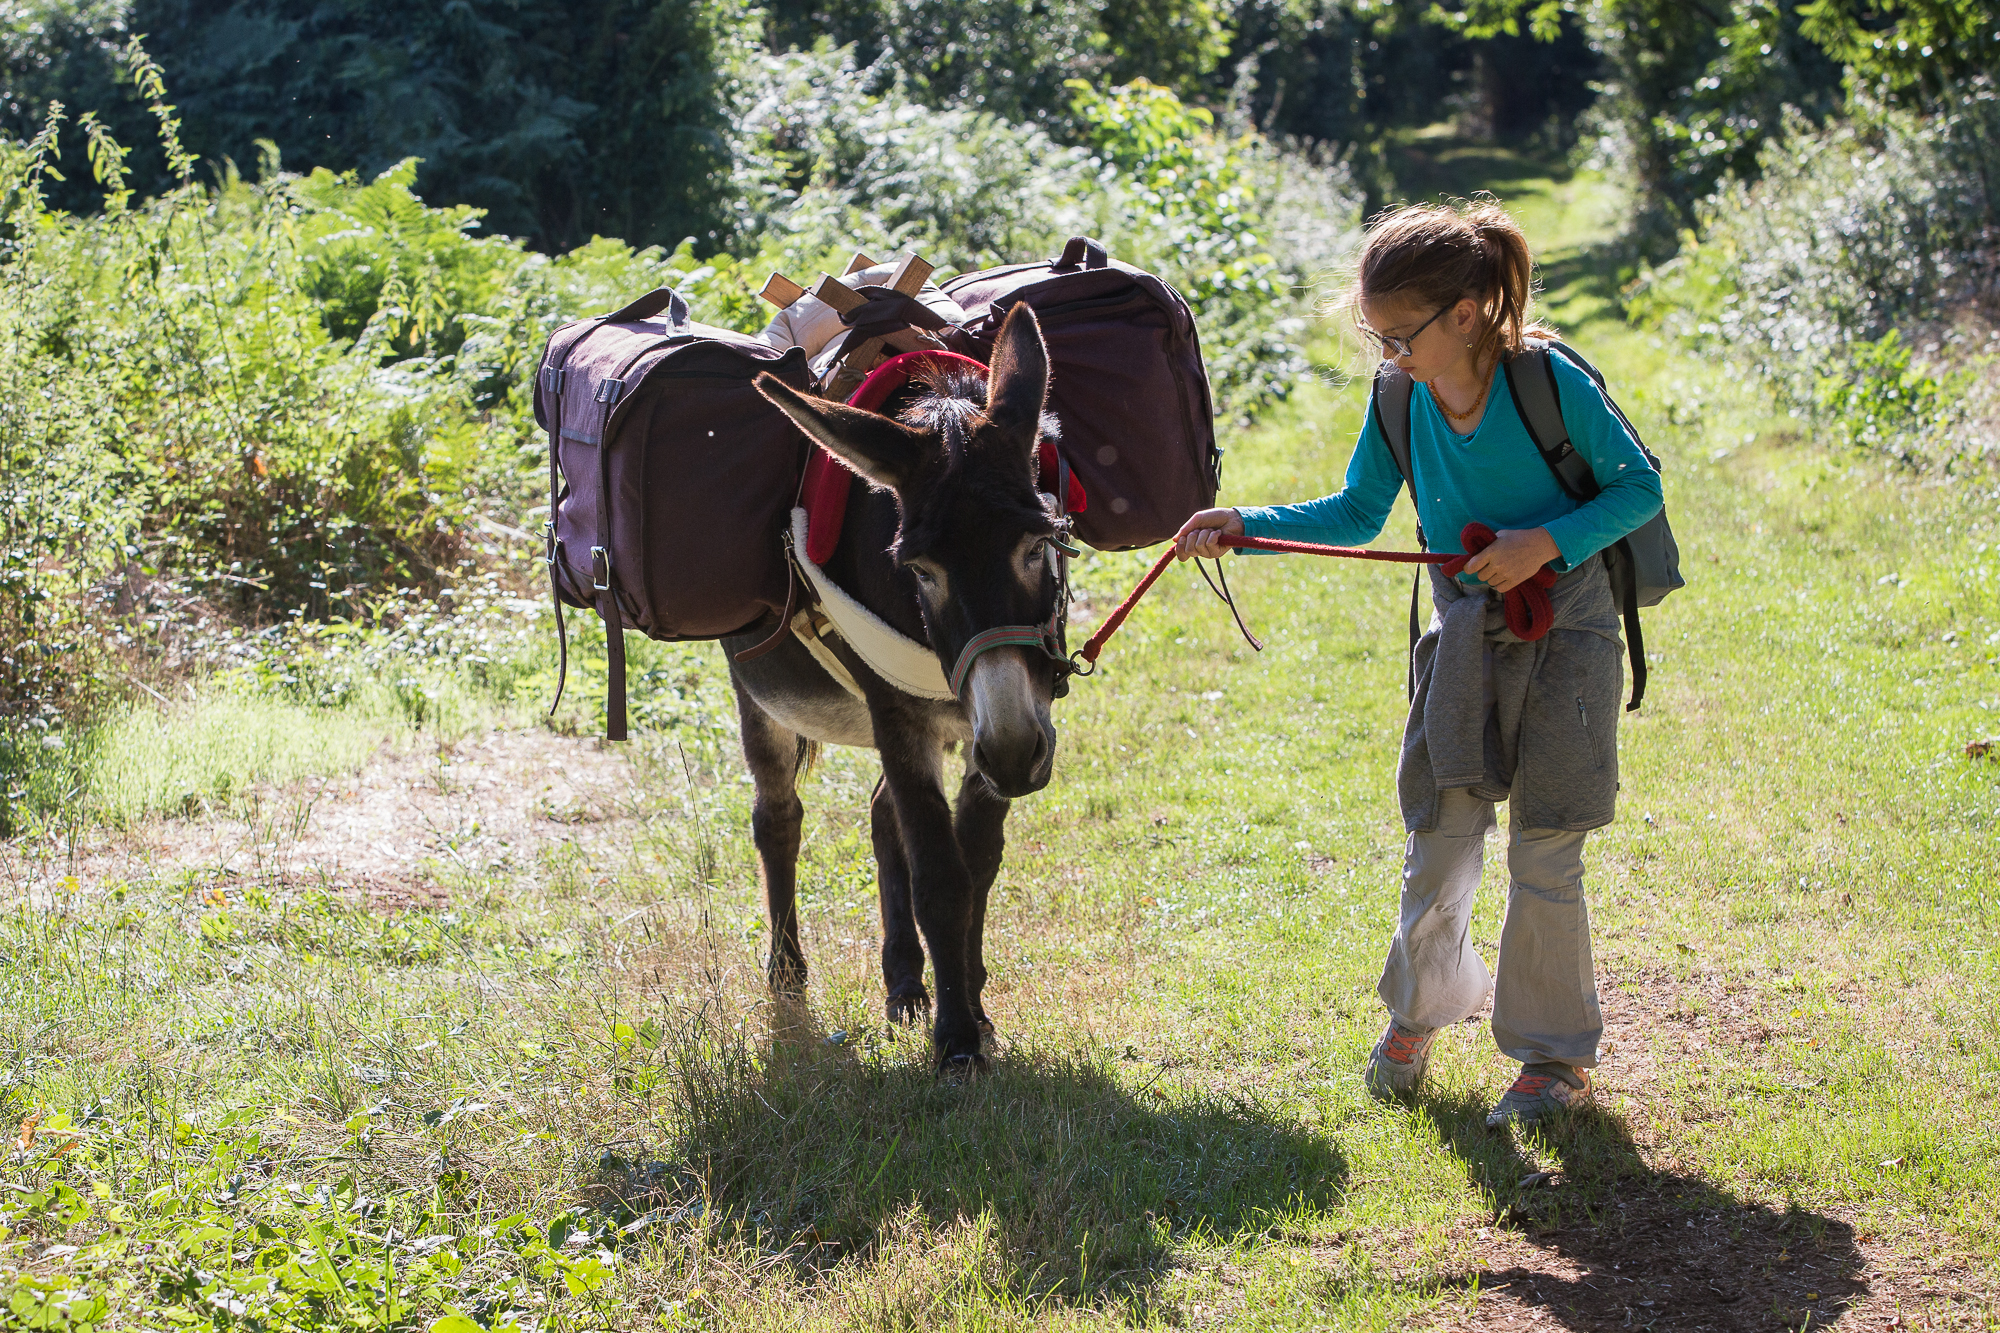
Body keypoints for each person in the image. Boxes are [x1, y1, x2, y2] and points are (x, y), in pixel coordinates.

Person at [1172, 200, 1664, 1128]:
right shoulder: (1398, 398)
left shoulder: (1548, 381)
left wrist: (1543, 543)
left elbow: (1640, 486)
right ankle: (1420, 1010)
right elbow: (1359, 512)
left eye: (1401, 336)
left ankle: (1553, 1058)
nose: (1389, 355)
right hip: (1464, 633)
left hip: (1568, 630)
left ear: (1467, 315)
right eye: (1377, 337)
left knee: (1546, 845)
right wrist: (1246, 525)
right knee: (1440, 833)